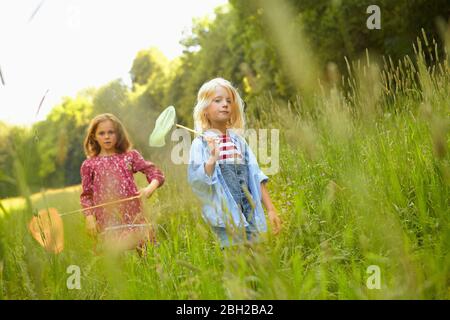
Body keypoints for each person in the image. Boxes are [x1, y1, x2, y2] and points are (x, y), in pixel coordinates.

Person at [188, 78, 281, 248]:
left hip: (250, 210)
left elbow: (256, 175)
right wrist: (212, 159)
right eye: (218, 100)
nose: (225, 104)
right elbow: (197, 182)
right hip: (226, 216)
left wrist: (271, 209)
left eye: (229, 101)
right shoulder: (200, 144)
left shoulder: (239, 142)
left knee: (257, 257)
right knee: (236, 261)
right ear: (205, 110)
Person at [80, 113, 164, 253]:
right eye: (102, 133)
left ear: (118, 134)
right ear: (94, 136)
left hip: (134, 217)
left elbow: (155, 173)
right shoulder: (89, 164)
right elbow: (86, 196)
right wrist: (89, 217)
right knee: (115, 265)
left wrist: (149, 189)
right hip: (108, 221)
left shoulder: (129, 156)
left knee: (147, 256)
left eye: (111, 132)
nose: (107, 136)